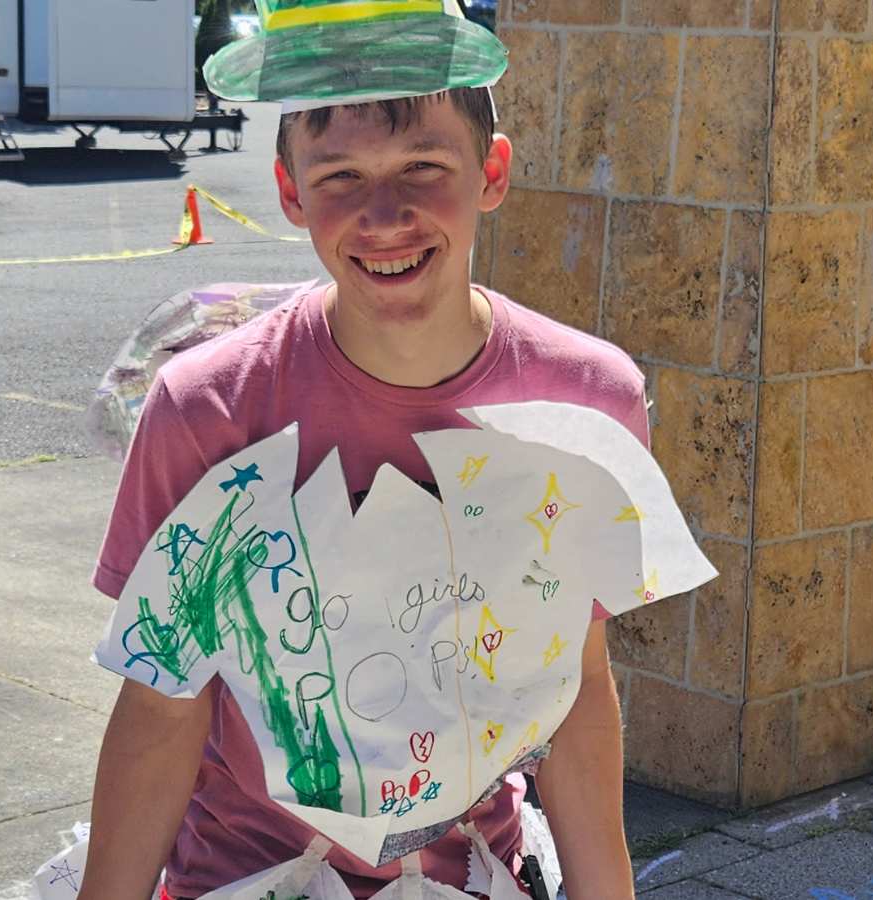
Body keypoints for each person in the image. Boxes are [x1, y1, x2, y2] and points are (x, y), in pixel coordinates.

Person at [77, 3, 657, 897]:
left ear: (491, 172)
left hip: (477, 876)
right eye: (340, 175)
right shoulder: (207, 411)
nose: (385, 214)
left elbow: (576, 688)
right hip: (248, 878)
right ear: (289, 190)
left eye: (424, 165)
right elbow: (163, 707)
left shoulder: (586, 401)